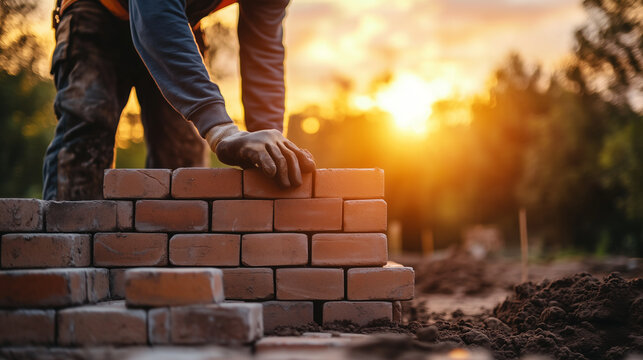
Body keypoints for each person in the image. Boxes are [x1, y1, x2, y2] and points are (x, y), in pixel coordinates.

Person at [43, 0, 315, 200]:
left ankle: (172, 275)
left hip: (178, 24)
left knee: (184, 166)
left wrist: (270, 146)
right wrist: (220, 128)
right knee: (86, 144)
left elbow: (263, 52)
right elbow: (153, 12)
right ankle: (63, 264)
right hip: (98, 13)